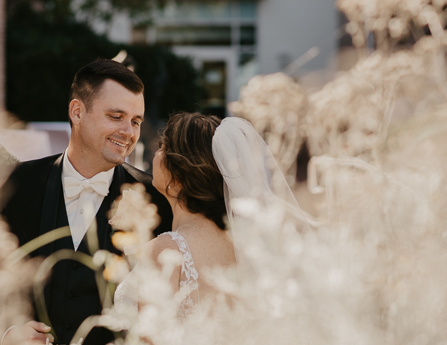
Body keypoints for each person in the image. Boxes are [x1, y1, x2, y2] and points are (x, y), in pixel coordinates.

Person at [0, 59, 173, 345]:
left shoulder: (154, 200)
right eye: (116, 116)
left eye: (135, 121)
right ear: (77, 112)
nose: (129, 132)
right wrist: (7, 334)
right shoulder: (17, 183)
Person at [114, 112, 310, 315]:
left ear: (178, 175)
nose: (156, 152)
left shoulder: (164, 252)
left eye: (163, 147)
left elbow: (151, 342)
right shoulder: (244, 246)